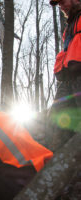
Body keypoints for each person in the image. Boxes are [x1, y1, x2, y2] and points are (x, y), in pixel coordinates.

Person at [48, 0, 81, 151]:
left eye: (63, 2)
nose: (61, 7)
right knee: (55, 122)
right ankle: (54, 161)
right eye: (59, 5)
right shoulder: (69, 28)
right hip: (68, 80)